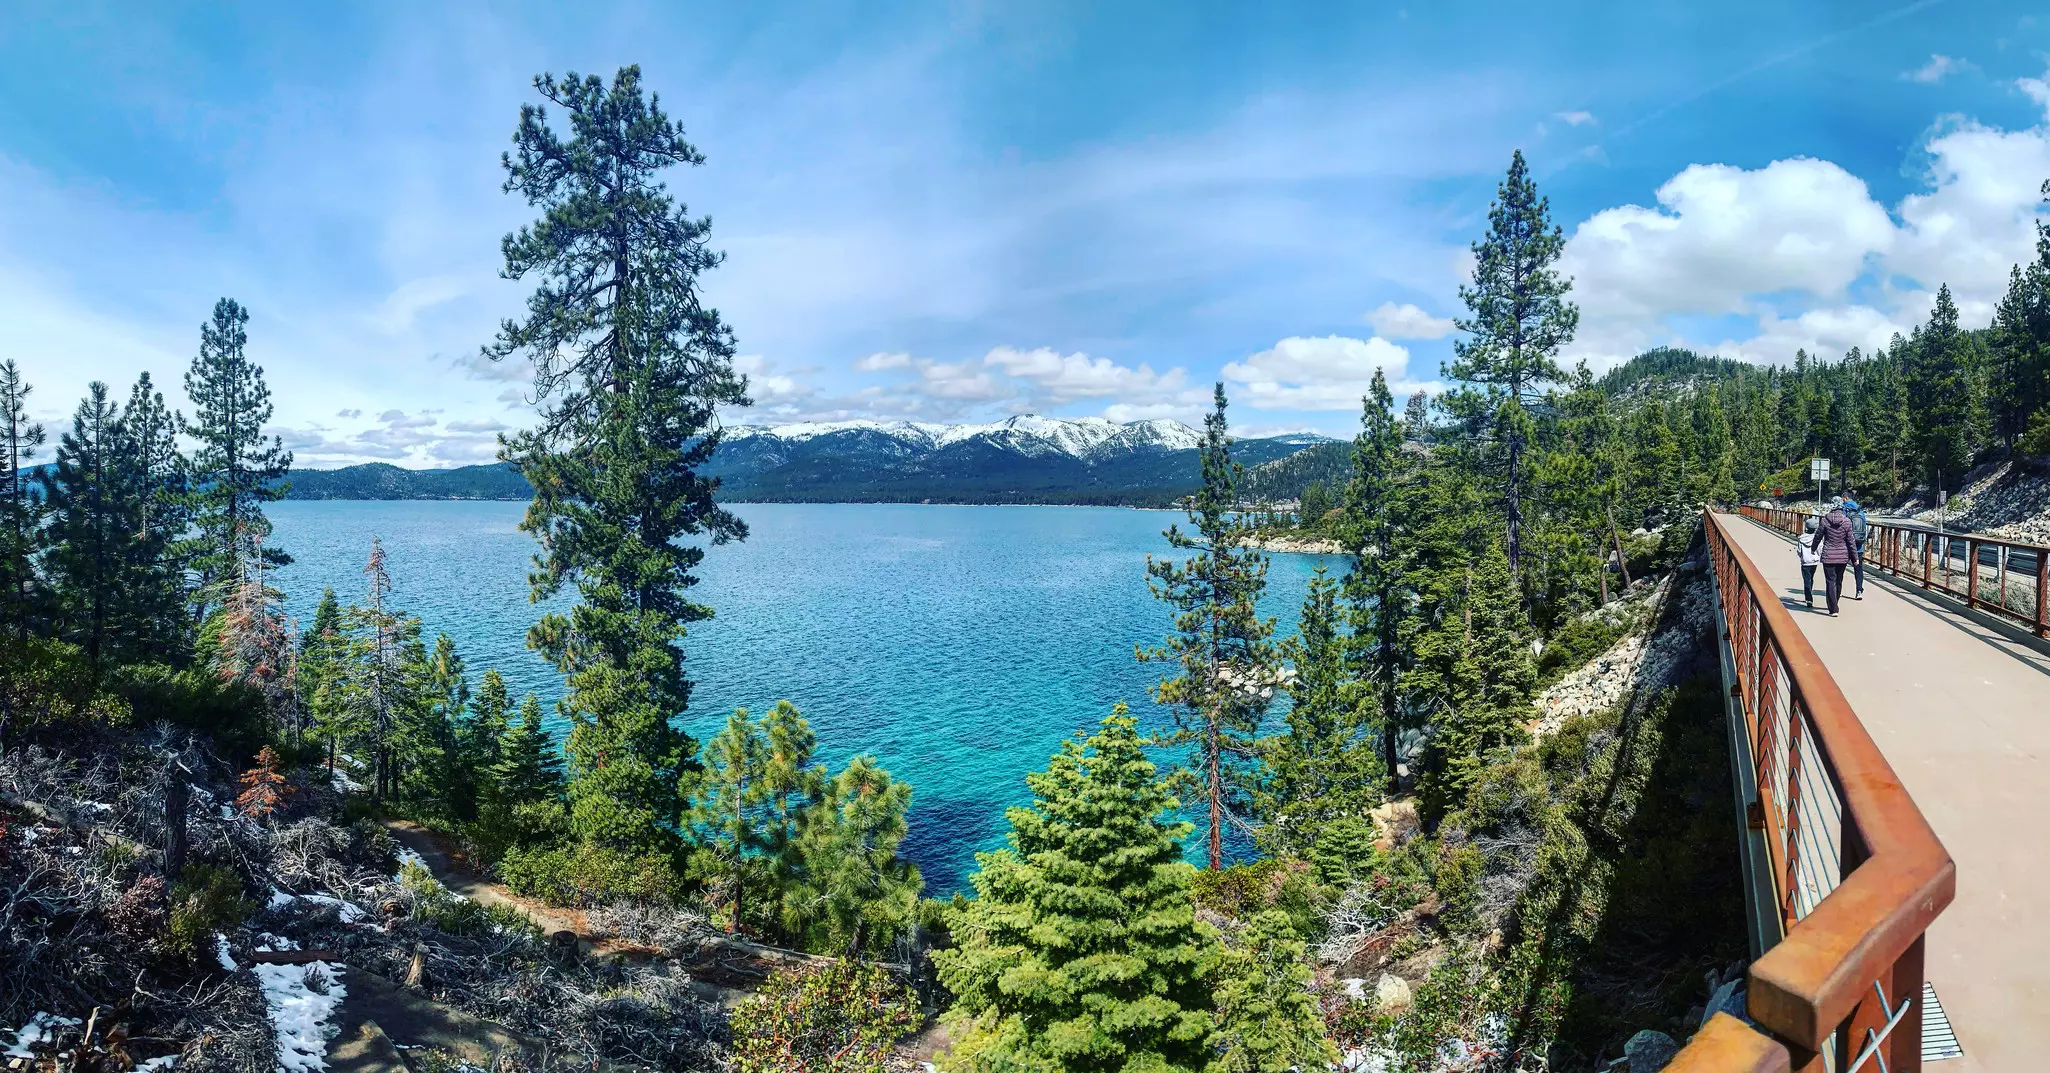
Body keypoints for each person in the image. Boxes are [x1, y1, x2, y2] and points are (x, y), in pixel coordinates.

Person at [1809, 497, 1856, 616]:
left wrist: (1813, 548)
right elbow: (1851, 541)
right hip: (1842, 556)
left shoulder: (1825, 520)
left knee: (1830, 581)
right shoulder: (1847, 521)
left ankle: (1833, 608)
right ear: (1842, 507)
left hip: (1828, 555)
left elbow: (1818, 536)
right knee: (1839, 581)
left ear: (1831, 506)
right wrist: (1855, 557)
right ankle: (1835, 602)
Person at [1843, 493, 1870, 599]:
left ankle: (1837, 589)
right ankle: (1859, 590)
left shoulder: (1844, 509)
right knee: (1858, 569)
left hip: (1845, 545)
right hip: (1858, 545)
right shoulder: (1860, 510)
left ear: (1844, 498)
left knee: (1840, 568)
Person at [1798, 517, 1822, 607]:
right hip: (1814, 561)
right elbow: (1820, 549)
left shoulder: (1801, 538)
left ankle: (1808, 598)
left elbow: (1799, 551)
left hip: (1805, 561)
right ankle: (1809, 593)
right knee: (1811, 578)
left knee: (1806, 579)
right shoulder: (1817, 538)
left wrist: (1802, 556)